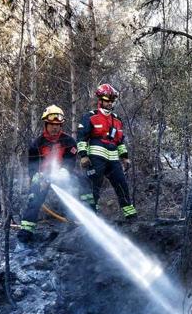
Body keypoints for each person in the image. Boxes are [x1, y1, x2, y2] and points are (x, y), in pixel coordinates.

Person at [18, 105, 79, 245]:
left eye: (58, 125)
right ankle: (24, 237)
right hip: (43, 177)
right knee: (34, 201)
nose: (55, 128)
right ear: (46, 124)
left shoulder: (69, 142)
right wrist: (38, 177)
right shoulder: (36, 144)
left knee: (81, 186)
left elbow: (70, 163)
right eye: (52, 124)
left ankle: (78, 224)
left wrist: (63, 173)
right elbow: (32, 168)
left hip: (62, 175)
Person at [76, 83, 137, 220]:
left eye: (112, 100)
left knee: (121, 184)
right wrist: (83, 156)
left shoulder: (117, 120)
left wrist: (125, 157)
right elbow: (81, 138)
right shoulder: (90, 117)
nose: (110, 103)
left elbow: (120, 141)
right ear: (100, 100)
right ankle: (90, 215)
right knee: (93, 186)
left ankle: (130, 215)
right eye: (107, 100)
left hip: (114, 159)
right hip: (96, 157)